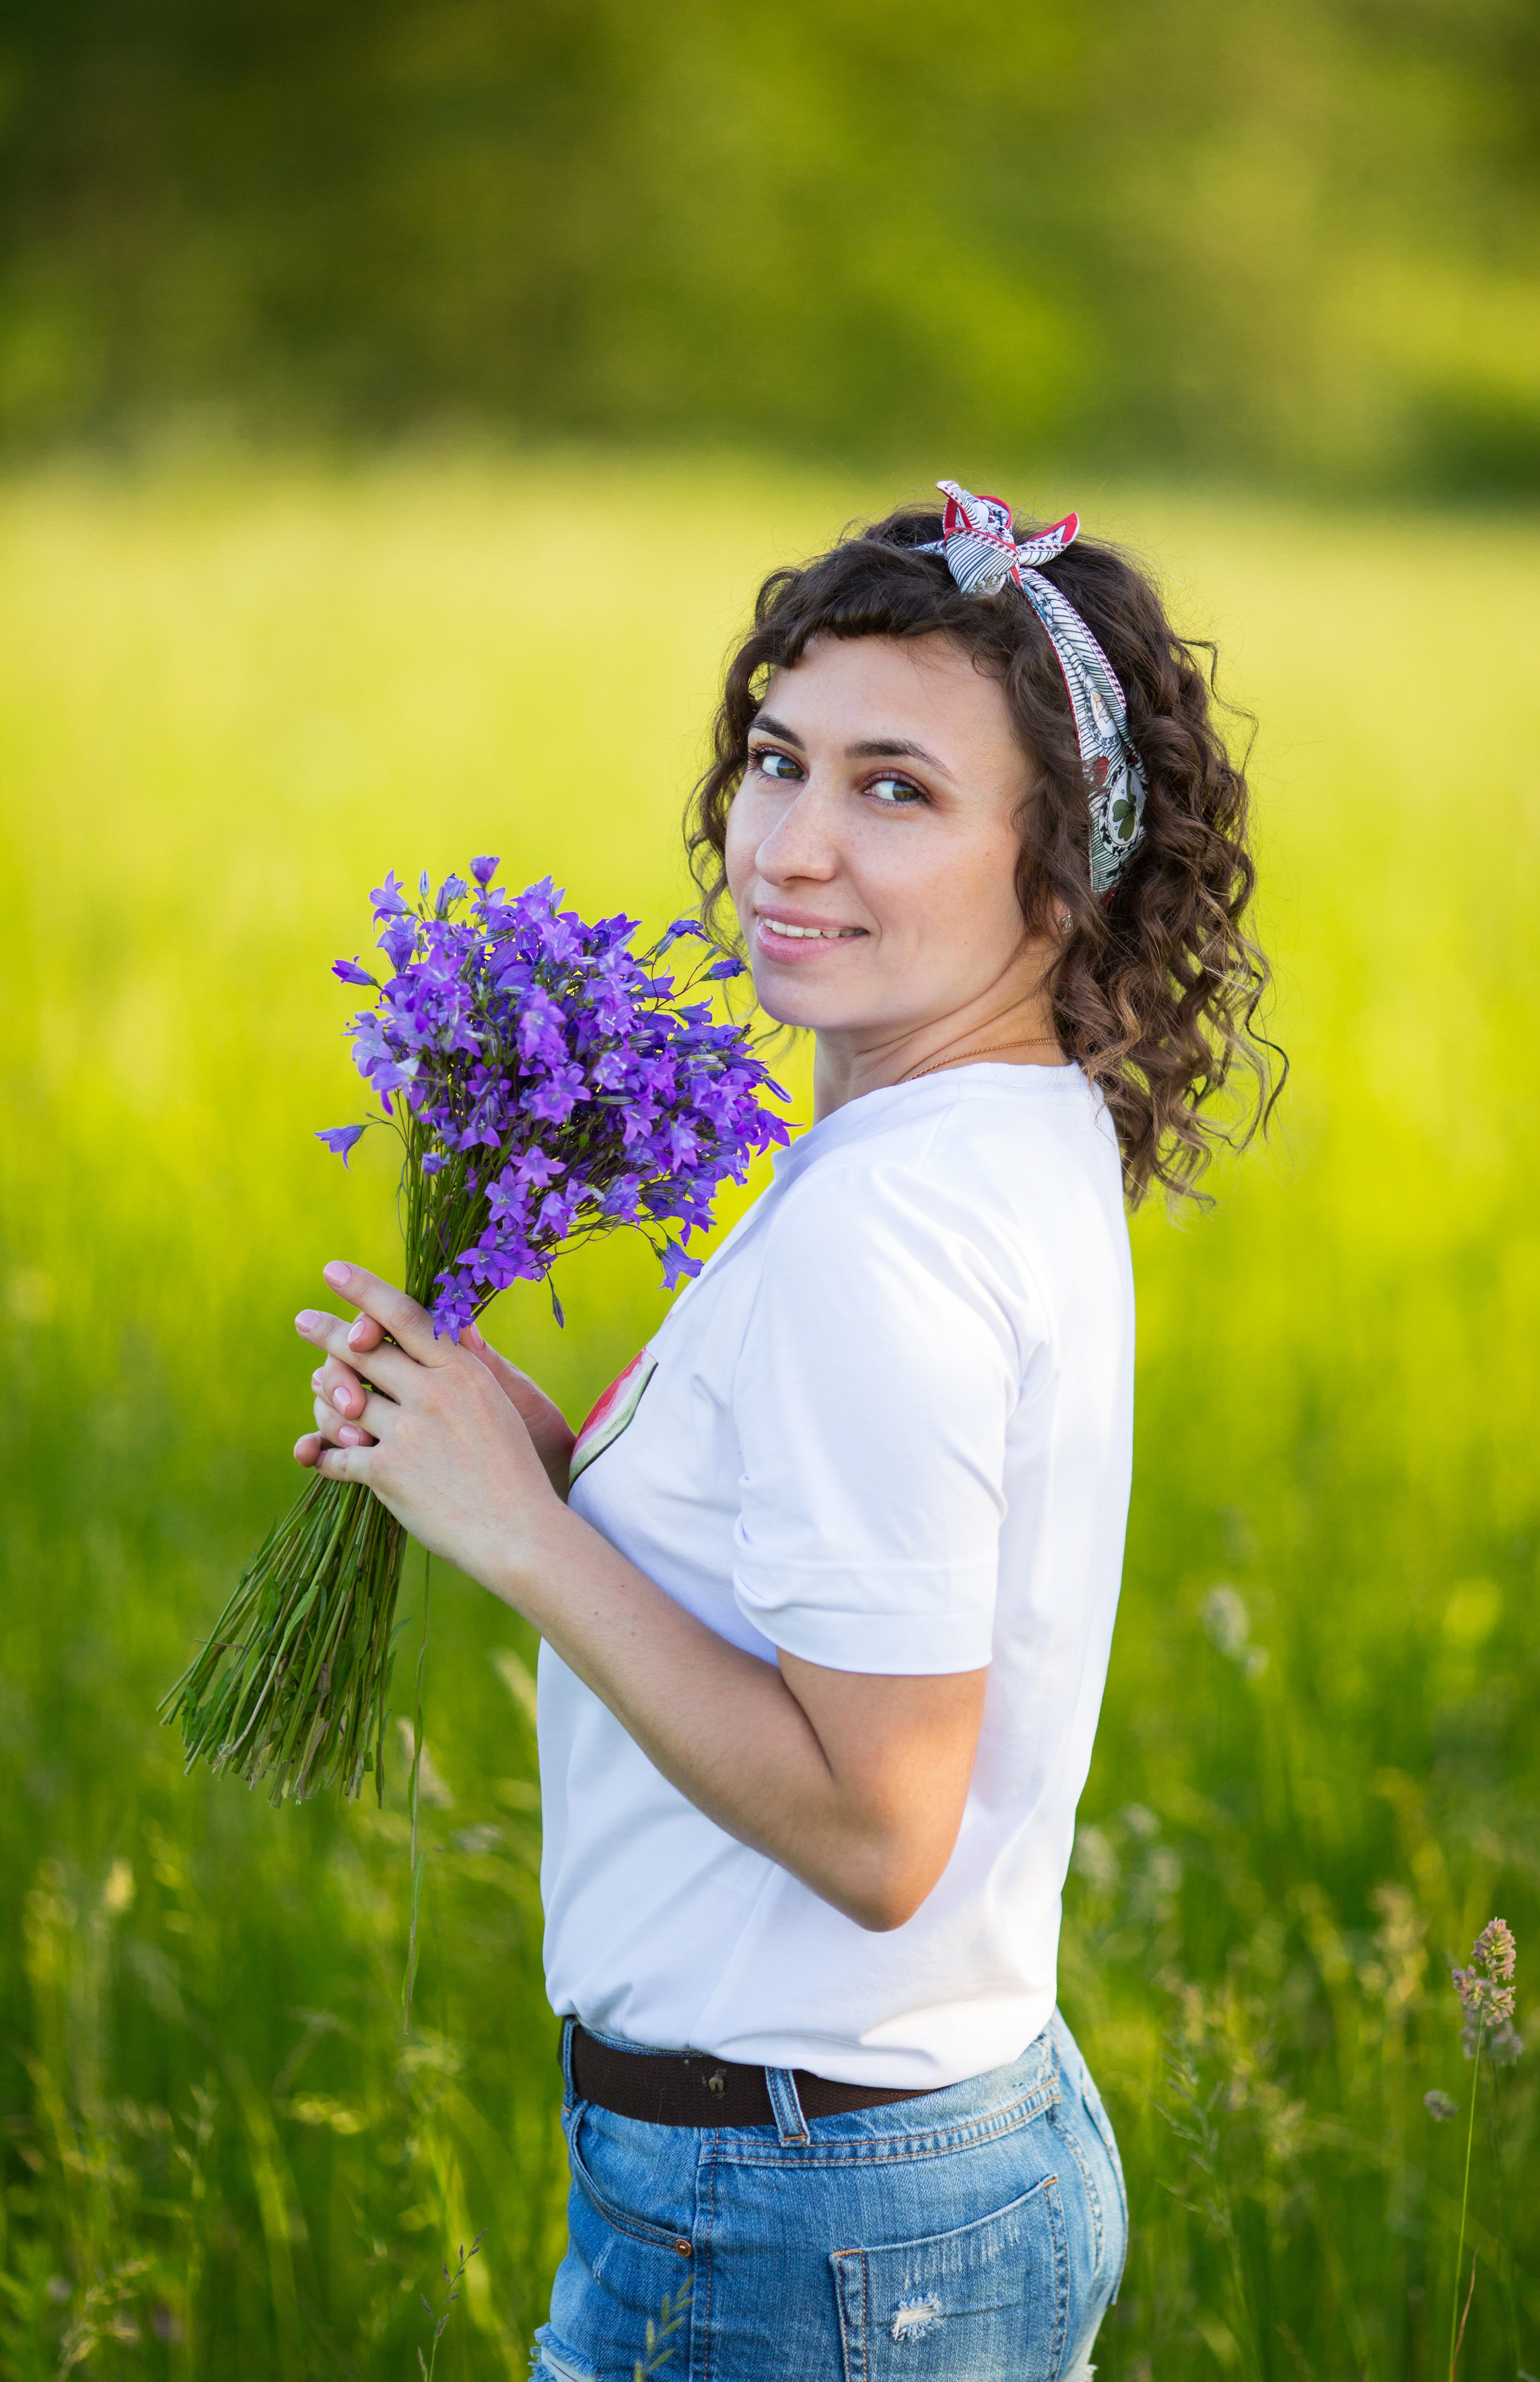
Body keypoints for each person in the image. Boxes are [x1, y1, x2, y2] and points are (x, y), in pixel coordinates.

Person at [291, 481, 1273, 2379]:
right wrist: (545, 1471)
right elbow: (835, 1595)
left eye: (897, 788)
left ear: (1058, 870)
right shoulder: (1002, 1135)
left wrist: (521, 1537)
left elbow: (878, 1827)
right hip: (904, 2164)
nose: (792, 847)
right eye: (777, 760)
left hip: (796, 2224)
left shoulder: (882, 1230)